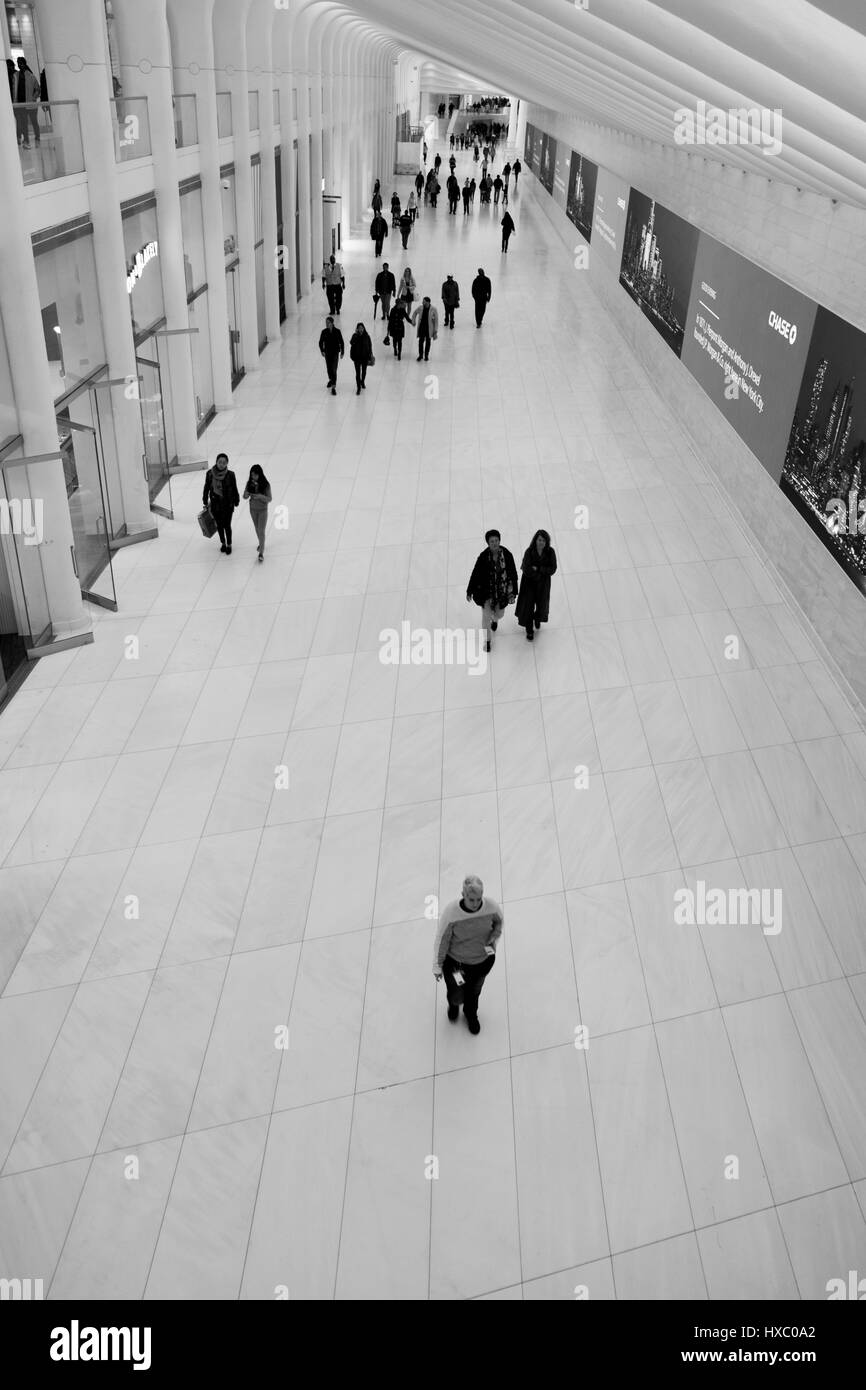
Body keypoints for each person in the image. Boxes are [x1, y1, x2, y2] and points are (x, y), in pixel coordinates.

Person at [433, 875, 503, 1035]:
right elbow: (441, 939)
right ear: (463, 895)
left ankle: (470, 1014)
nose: (475, 903)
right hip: (457, 965)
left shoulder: (491, 907)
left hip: (482, 963)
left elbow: (499, 922)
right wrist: (437, 965)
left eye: (479, 899)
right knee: (456, 994)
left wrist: (494, 937)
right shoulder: (452, 912)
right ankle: (454, 1004)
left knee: (474, 992)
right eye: (471, 899)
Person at [466, 529, 518, 652]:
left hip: (501, 593)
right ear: (488, 543)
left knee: (499, 614)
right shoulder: (483, 557)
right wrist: (470, 590)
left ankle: (495, 620)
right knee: (486, 616)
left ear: (499, 541)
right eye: (492, 541)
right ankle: (488, 640)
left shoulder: (507, 555)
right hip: (486, 593)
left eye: (496, 540)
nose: (494, 543)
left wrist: (514, 591)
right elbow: (475, 573)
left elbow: (513, 573)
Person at [515, 530, 557, 640]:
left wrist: (538, 568)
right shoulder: (529, 552)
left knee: (542, 604)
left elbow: (553, 569)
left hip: (543, 585)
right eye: (539, 540)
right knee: (528, 606)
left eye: (543, 540)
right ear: (535, 540)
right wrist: (540, 574)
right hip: (529, 584)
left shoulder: (550, 552)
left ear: (546, 542)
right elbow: (526, 569)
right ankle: (529, 629)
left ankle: (537, 619)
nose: (541, 542)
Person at [203, 453, 241, 555]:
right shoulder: (210, 474)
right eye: (220, 462)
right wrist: (205, 500)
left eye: (224, 462)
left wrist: (236, 500)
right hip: (215, 505)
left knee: (227, 525)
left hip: (228, 504)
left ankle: (229, 544)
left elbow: (234, 488)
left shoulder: (230, 475)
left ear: (227, 463)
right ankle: (223, 543)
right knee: (219, 525)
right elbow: (206, 488)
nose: (221, 464)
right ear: (216, 462)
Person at [243, 465, 272, 562]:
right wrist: (246, 494)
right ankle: (261, 543)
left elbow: (269, 499)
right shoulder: (249, 483)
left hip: (262, 510)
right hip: (253, 510)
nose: (253, 477)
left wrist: (260, 496)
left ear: (260, 474)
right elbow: (244, 496)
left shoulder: (266, 485)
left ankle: (261, 552)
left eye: (255, 475)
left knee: (261, 530)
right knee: (257, 529)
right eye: (252, 475)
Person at [15, 57, 40, 148]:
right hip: (21, 105)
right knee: (24, 123)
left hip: (31, 105)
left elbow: (38, 89)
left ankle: (37, 137)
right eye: (18, 63)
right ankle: (26, 141)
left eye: (21, 63)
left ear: (24, 64)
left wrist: (33, 98)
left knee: (34, 122)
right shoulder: (16, 75)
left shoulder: (31, 76)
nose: (19, 65)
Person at [318, 315, 344, 395]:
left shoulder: (337, 331)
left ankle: (333, 387)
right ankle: (331, 379)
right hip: (327, 353)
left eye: (328, 322)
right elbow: (320, 342)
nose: (326, 324)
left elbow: (341, 342)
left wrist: (342, 352)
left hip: (335, 353)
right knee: (329, 369)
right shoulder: (324, 332)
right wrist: (322, 350)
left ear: (332, 323)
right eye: (326, 323)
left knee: (334, 369)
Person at [411, 295, 438, 362]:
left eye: (424, 301)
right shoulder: (420, 308)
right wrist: (413, 321)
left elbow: (436, 321)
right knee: (420, 342)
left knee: (428, 342)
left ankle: (426, 355)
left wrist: (435, 330)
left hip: (429, 329)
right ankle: (420, 355)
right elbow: (414, 313)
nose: (422, 302)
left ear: (428, 302)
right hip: (422, 328)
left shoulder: (433, 309)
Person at [349, 322, 373, 394]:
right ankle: (358, 387)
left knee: (364, 372)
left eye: (362, 328)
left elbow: (370, 346)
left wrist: (370, 355)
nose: (360, 329)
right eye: (359, 328)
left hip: (365, 357)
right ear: (357, 329)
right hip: (357, 357)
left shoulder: (367, 336)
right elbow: (351, 342)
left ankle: (362, 381)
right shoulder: (355, 335)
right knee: (357, 373)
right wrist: (356, 335)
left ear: (364, 328)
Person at [375, 262, 396, 340]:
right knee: (383, 304)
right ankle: (384, 314)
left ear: (388, 267)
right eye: (384, 267)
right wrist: (376, 290)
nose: (385, 268)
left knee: (387, 303)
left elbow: (393, 283)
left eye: (386, 267)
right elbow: (376, 282)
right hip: (381, 292)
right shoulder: (379, 275)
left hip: (388, 292)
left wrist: (394, 291)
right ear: (382, 267)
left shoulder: (391, 275)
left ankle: (388, 314)